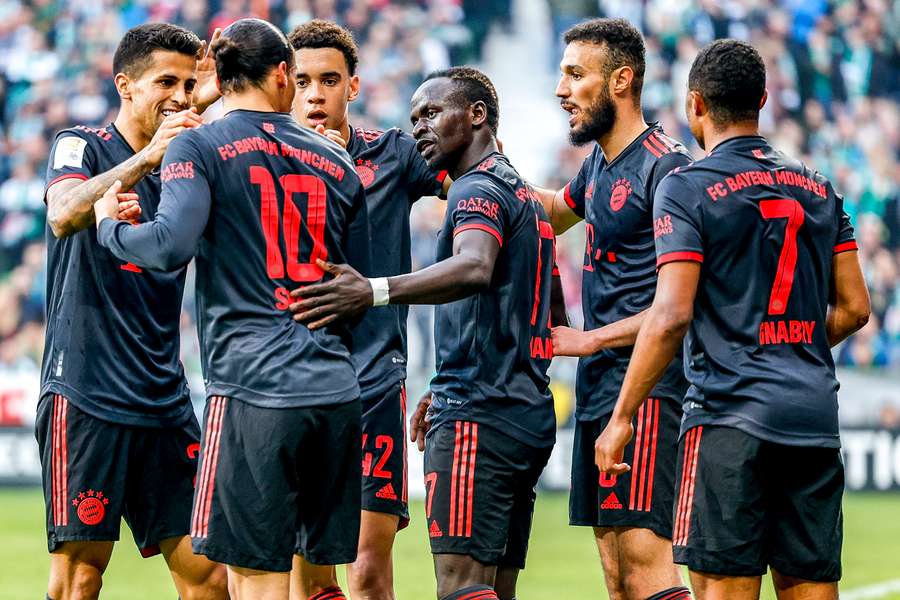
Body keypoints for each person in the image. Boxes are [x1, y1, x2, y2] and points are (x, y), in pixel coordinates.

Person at [93, 18, 371, 600]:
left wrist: (109, 231)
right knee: (320, 584)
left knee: (253, 578)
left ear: (217, 76)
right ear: (281, 76)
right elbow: (355, 290)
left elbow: (170, 246)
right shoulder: (338, 162)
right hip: (336, 395)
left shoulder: (198, 144)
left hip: (253, 391)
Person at [595, 39, 871, 600]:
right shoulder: (819, 188)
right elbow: (855, 308)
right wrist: (788, 346)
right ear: (763, 100)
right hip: (813, 419)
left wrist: (622, 416)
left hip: (728, 419)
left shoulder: (686, 186)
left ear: (695, 104)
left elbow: (671, 315)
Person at [290, 67, 557, 600]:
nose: (420, 129)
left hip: (478, 416)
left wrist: (375, 290)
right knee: (491, 588)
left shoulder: (475, 191)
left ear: (477, 115)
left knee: (459, 587)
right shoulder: (522, 195)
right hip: (523, 410)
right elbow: (539, 313)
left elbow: (473, 268)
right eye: (414, 119)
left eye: (432, 114)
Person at [38, 22, 227, 600]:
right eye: (164, 81)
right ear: (124, 84)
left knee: (208, 573)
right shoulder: (82, 145)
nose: (178, 95)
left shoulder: (189, 164)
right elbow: (64, 212)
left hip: (164, 399)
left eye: (190, 84)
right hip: (87, 390)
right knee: (80, 577)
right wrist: (146, 157)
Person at [287, 20, 450, 599]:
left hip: (375, 382)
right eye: (301, 80)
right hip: (292, 385)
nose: (314, 94)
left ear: (352, 86)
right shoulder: (261, 164)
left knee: (366, 567)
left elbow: (480, 190)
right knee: (305, 570)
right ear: (283, 84)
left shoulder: (392, 155)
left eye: (328, 79)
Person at [531, 18, 692, 600]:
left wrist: (591, 339)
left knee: (647, 564)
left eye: (575, 74)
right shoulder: (601, 161)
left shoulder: (667, 167)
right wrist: (475, 174)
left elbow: (679, 305)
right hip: (601, 386)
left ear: (621, 80)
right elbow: (554, 211)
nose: (560, 89)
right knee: (618, 572)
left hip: (648, 387)